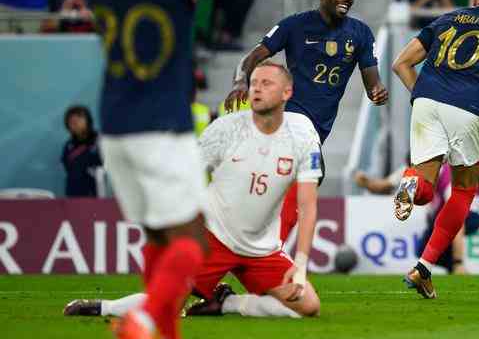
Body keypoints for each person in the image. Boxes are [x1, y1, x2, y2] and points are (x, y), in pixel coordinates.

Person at [78, 0, 282, 339]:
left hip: (114, 126)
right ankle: (146, 320)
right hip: (161, 127)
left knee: (157, 240)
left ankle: (166, 337)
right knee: (191, 245)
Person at [64, 61, 322, 321]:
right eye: (254, 82)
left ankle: (229, 303)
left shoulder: (302, 132)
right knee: (168, 305)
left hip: (262, 248)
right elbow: (184, 175)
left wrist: (300, 263)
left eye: (266, 83)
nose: (256, 89)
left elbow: (308, 204)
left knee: (308, 306)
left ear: (287, 92)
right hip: (214, 236)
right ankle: (102, 307)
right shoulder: (226, 129)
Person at [224, 0, 389, 245]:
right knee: (313, 171)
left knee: (300, 185)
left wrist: (377, 91)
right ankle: (270, 248)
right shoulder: (294, 25)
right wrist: (241, 82)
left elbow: (372, 79)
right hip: (291, 116)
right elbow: (254, 55)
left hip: (320, 125)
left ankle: (259, 242)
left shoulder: (360, 33)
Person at [390, 0, 479, 298]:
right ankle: (426, 264)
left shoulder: (445, 19)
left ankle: (423, 269)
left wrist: (425, 95)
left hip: (426, 102)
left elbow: (400, 63)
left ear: (474, 0)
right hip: (469, 106)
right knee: (463, 191)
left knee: (426, 190)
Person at [61, 105, 102, 198]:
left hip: (97, 194)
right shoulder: (68, 146)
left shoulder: (100, 141)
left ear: (88, 120)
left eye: (79, 119)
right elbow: (67, 166)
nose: (75, 123)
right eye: (71, 122)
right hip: (73, 194)